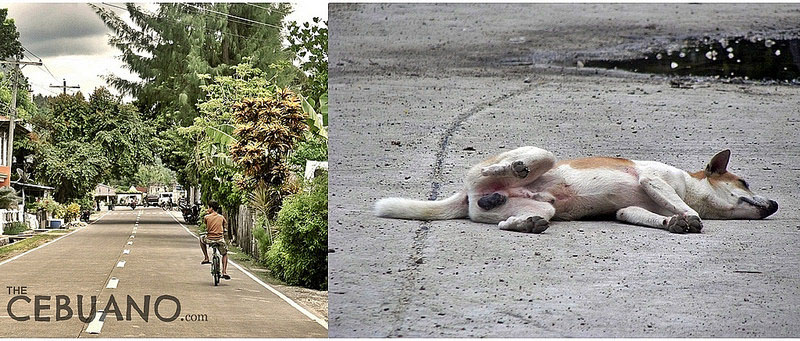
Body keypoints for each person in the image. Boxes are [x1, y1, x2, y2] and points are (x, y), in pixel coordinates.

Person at [199, 201, 230, 280]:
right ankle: (224, 271)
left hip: (209, 239)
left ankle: (206, 257)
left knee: (201, 238)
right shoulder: (221, 217)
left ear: (211, 208)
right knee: (225, 254)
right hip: (220, 239)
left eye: (209, 207)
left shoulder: (206, 217)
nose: (208, 209)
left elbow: (206, 225)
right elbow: (224, 226)